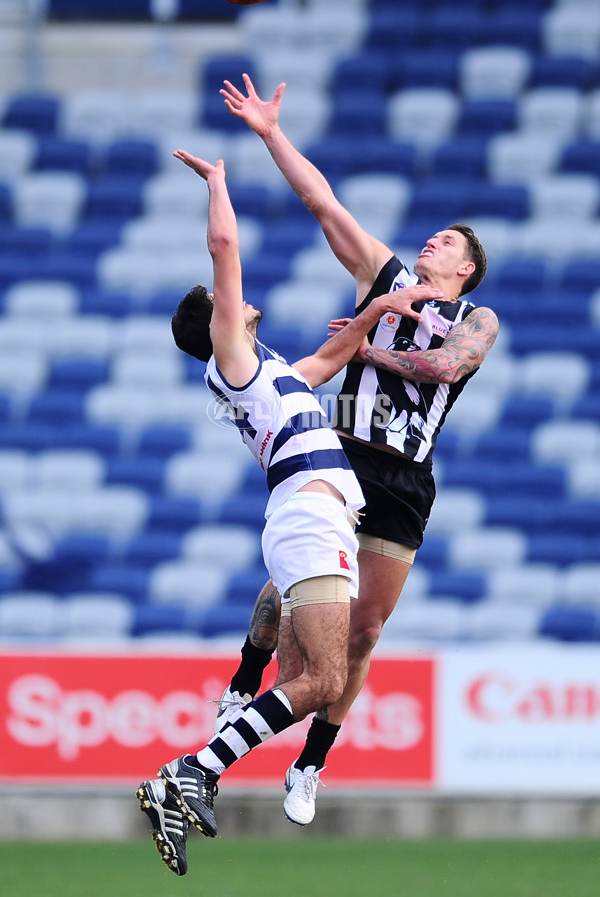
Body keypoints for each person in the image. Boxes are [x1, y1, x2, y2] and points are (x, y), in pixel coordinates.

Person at [136, 148, 441, 876]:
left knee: (312, 678)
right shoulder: (234, 355)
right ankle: (192, 770)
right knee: (324, 681)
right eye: (224, 301)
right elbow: (225, 246)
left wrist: (377, 310)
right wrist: (217, 183)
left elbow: (332, 358)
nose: (237, 297)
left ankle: (199, 767)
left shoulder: (270, 373)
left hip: (309, 518)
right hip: (311, 514)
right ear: (215, 323)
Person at [213, 73, 500, 826]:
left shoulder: (477, 317)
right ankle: (242, 682)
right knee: (296, 586)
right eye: (432, 236)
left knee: (365, 629)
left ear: (465, 268)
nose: (431, 240)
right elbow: (323, 204)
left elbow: (445, 368)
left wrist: (366, 351)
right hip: (341, 452)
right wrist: (272, 134)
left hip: (405, 477)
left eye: (448, 242)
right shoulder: (389, 277)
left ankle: (312, 762)